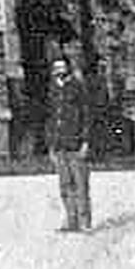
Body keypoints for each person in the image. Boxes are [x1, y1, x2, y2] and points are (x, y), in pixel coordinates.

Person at [46, 54, 93, 232]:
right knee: (65, 186)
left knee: (80, 185)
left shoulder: (77, 87)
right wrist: (51, 145)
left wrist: (85, 141)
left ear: (68, 68)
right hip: (59, 145)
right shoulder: (53, 89)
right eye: (56, 68)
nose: (59, 71)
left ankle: (84, 222)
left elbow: (86, 116)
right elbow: (50, 119)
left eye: (62, 67)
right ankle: (70, 221)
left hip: (76, 143)